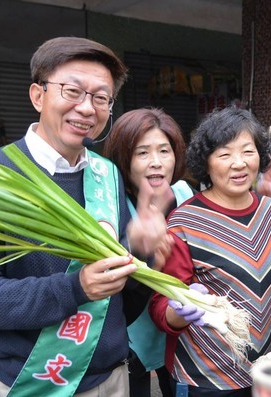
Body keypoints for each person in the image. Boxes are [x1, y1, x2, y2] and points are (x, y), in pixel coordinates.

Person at [0, 37, 173, 397]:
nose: (87, 108)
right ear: (38, 95)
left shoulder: (106, 174)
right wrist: (75, 288)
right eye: (72, 91)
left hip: (112, 378)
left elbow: (117, 294)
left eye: (101, 98)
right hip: (33, 382)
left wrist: (141, 251)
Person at [149, 107, 271, 397]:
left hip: (263, 369)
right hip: (203, 379)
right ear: (206, 163)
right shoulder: (183, 222)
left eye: (247, 151)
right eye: (224, 155)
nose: (238, 164)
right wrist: (181, 312)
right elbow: (161, 305)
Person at [102, 108, 194, 397]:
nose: (156, 162)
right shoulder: (109, 205)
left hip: (181, 332)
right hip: (131, 340)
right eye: (142, 153)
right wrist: (138, 249)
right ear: (123, 158)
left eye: (164, 151)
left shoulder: (183, 195)